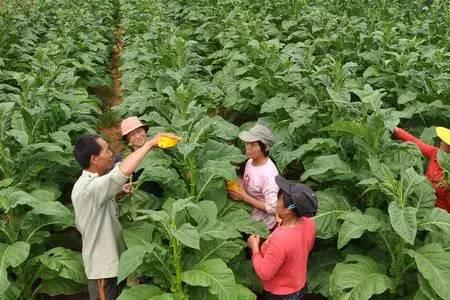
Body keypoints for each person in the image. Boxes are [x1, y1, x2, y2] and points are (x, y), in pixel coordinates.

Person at [72, 132, 176, 300]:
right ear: (94, 159)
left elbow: (99, 203)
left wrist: (117, 192)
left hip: (114, 264)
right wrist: (150, 144)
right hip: (103, 268)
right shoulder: (88, 188)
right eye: (106, 151)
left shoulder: (94, 184)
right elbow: (122, 171)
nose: (111, 154)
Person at [247, 175, 317, 300]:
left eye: (279, 200)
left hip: (280, 294)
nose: (276, 202)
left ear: (288, 211)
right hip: (299, 285)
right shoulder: (309, 223)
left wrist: (255, 249)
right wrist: (282, 221)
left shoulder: (281, 240)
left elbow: (264, 272)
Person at [227, 124, 279, 230]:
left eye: (253, 145)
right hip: (248, 220)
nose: (248, 147)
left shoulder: (269, 175)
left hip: (262, 227)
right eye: (247, 143)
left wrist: (244, 197)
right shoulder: (250, 161)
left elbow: (273, 208)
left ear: (265, 147)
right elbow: (247, 181)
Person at [393, 126, 450, 212]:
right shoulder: (435, 152)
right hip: (420, 202)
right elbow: (417, 143)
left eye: (444, 142)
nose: (441, 143)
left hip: (440, 215)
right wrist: (396, 130)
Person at [119, 116, 163, 197]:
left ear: (145, 131)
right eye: (132, 135)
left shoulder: (160, 147)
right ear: (127, 140)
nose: (138, 136)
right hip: (147, 201)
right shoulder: (126, 160)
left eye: (139, 131)